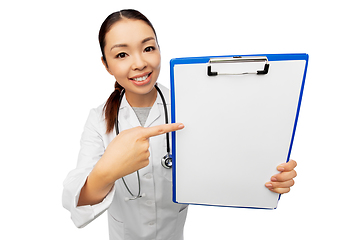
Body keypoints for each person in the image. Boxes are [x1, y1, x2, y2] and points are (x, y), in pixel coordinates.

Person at [62, 9, 297, 240]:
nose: (140, 63)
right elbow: (77, 199)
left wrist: (266, 178)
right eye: (122, 55)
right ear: (106, 65)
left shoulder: (189, 106)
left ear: (159, 51)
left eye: (148, 48)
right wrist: (108, 170)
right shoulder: (99, 119)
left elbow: (225, 161)